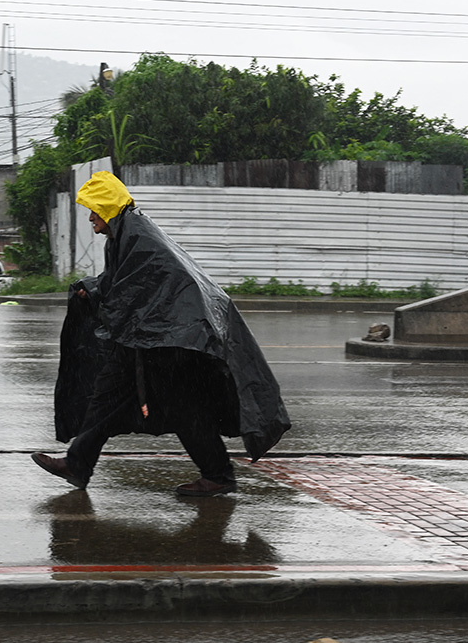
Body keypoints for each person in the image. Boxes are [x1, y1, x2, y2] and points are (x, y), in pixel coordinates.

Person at [31, 170, 290, 496]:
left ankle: (218, 476)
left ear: (109, 207)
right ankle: (77, 463)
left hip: (172, 339)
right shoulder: (123, 235)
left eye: (95, 209)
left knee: (184, 408)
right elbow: (124, 283)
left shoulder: (138, 235)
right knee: (106, 397)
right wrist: (93, 292)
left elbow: (148, 283)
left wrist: (102, 296)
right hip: (148, 336)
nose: (90, 217)